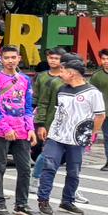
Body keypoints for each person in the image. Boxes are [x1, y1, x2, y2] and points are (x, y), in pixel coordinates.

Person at [36, 54, 103, 215]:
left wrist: (91, 133)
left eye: (63, 71)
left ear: (72, 73)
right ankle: (43, 200)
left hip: (77, 138)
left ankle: (67, 201)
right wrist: (47, 128)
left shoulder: (93, 93)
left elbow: (100, 115)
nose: (60, 74)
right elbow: (59, 113)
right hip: (56, 136)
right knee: (49, 166)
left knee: (73, 171)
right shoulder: (61, 89)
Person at [0, 45, 36, 215]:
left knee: (25, 168)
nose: (10, 61)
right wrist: (6, 128)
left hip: (22, 130)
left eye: (13, 57)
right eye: (6, 58)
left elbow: (28, 106)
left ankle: (21, 204)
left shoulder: (25, 79)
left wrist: (30, 128)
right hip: (0, 130)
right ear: (1, 60)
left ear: (19, 58)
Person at [31, 47, 65, 185]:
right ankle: (36, 177)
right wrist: (37, 119)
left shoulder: (66, 78)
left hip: (63, 120)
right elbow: (37, 98)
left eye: (56, 58)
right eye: (51, 58)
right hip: (45, 117)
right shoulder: (42, 76)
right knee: (45, 150)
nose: (53, 61)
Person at [89, 48, 108, 171]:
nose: (106, 61)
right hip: (104, 113)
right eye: (103, 59)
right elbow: (91, 94)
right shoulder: (97, 76)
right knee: (107, 137)